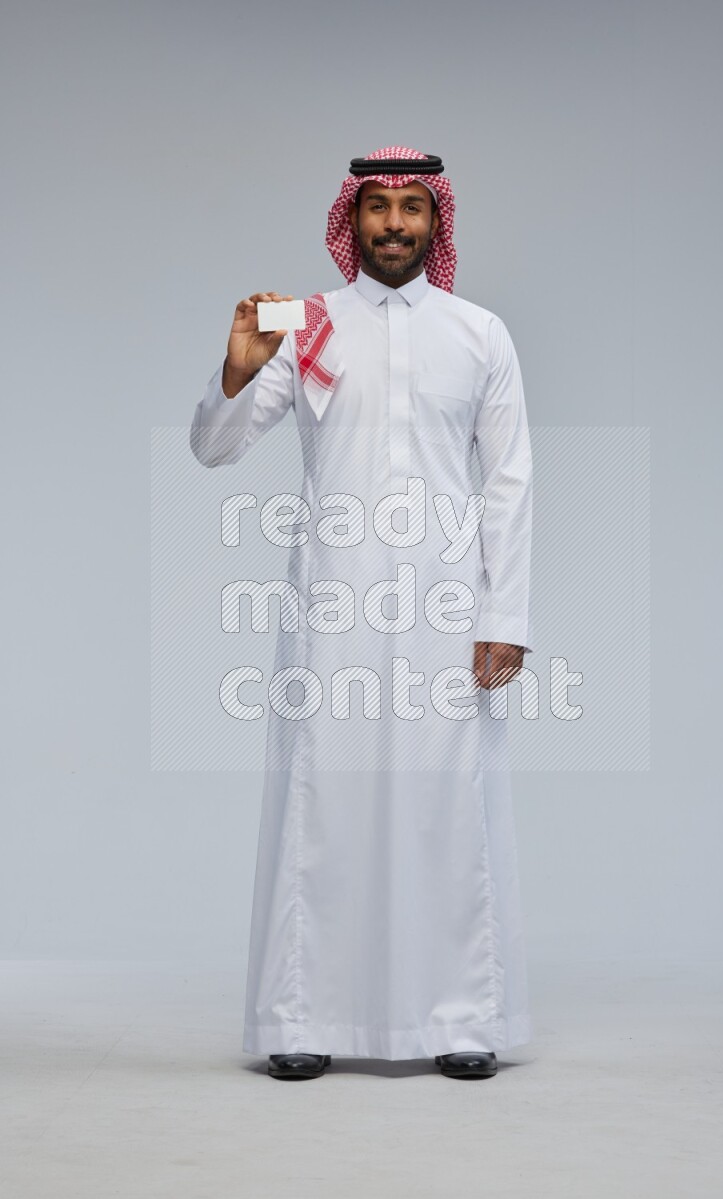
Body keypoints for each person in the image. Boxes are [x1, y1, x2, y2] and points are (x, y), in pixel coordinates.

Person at [189, 146, 534, 1081]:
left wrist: (504, 616)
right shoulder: (303, 325)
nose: (392, 224)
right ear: (353, 219)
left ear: (436, 221)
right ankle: (301, 1016)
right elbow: (214, 451)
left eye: (410, 208)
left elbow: (508, 484)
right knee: (323, 802)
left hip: (448, 605)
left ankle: (462, 1016)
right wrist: (233, 369)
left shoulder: (480, 332)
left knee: (445, 802)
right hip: (333, 600)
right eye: (376, 207)